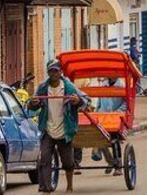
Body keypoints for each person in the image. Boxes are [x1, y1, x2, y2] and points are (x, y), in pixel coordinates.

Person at [29, 60, 85, 194]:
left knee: (68, 162)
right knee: (45, 160)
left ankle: (70, 186)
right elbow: (32, 106)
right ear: (48, 72)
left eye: (56, 71)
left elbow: (84, 100)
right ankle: (45, 189)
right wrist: (34, 103)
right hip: (47, 129)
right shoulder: (43, 88)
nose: (53, 73)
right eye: (51, 71)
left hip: (64, 130)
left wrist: (77, 100)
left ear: (61, 72)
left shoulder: (69, 87)